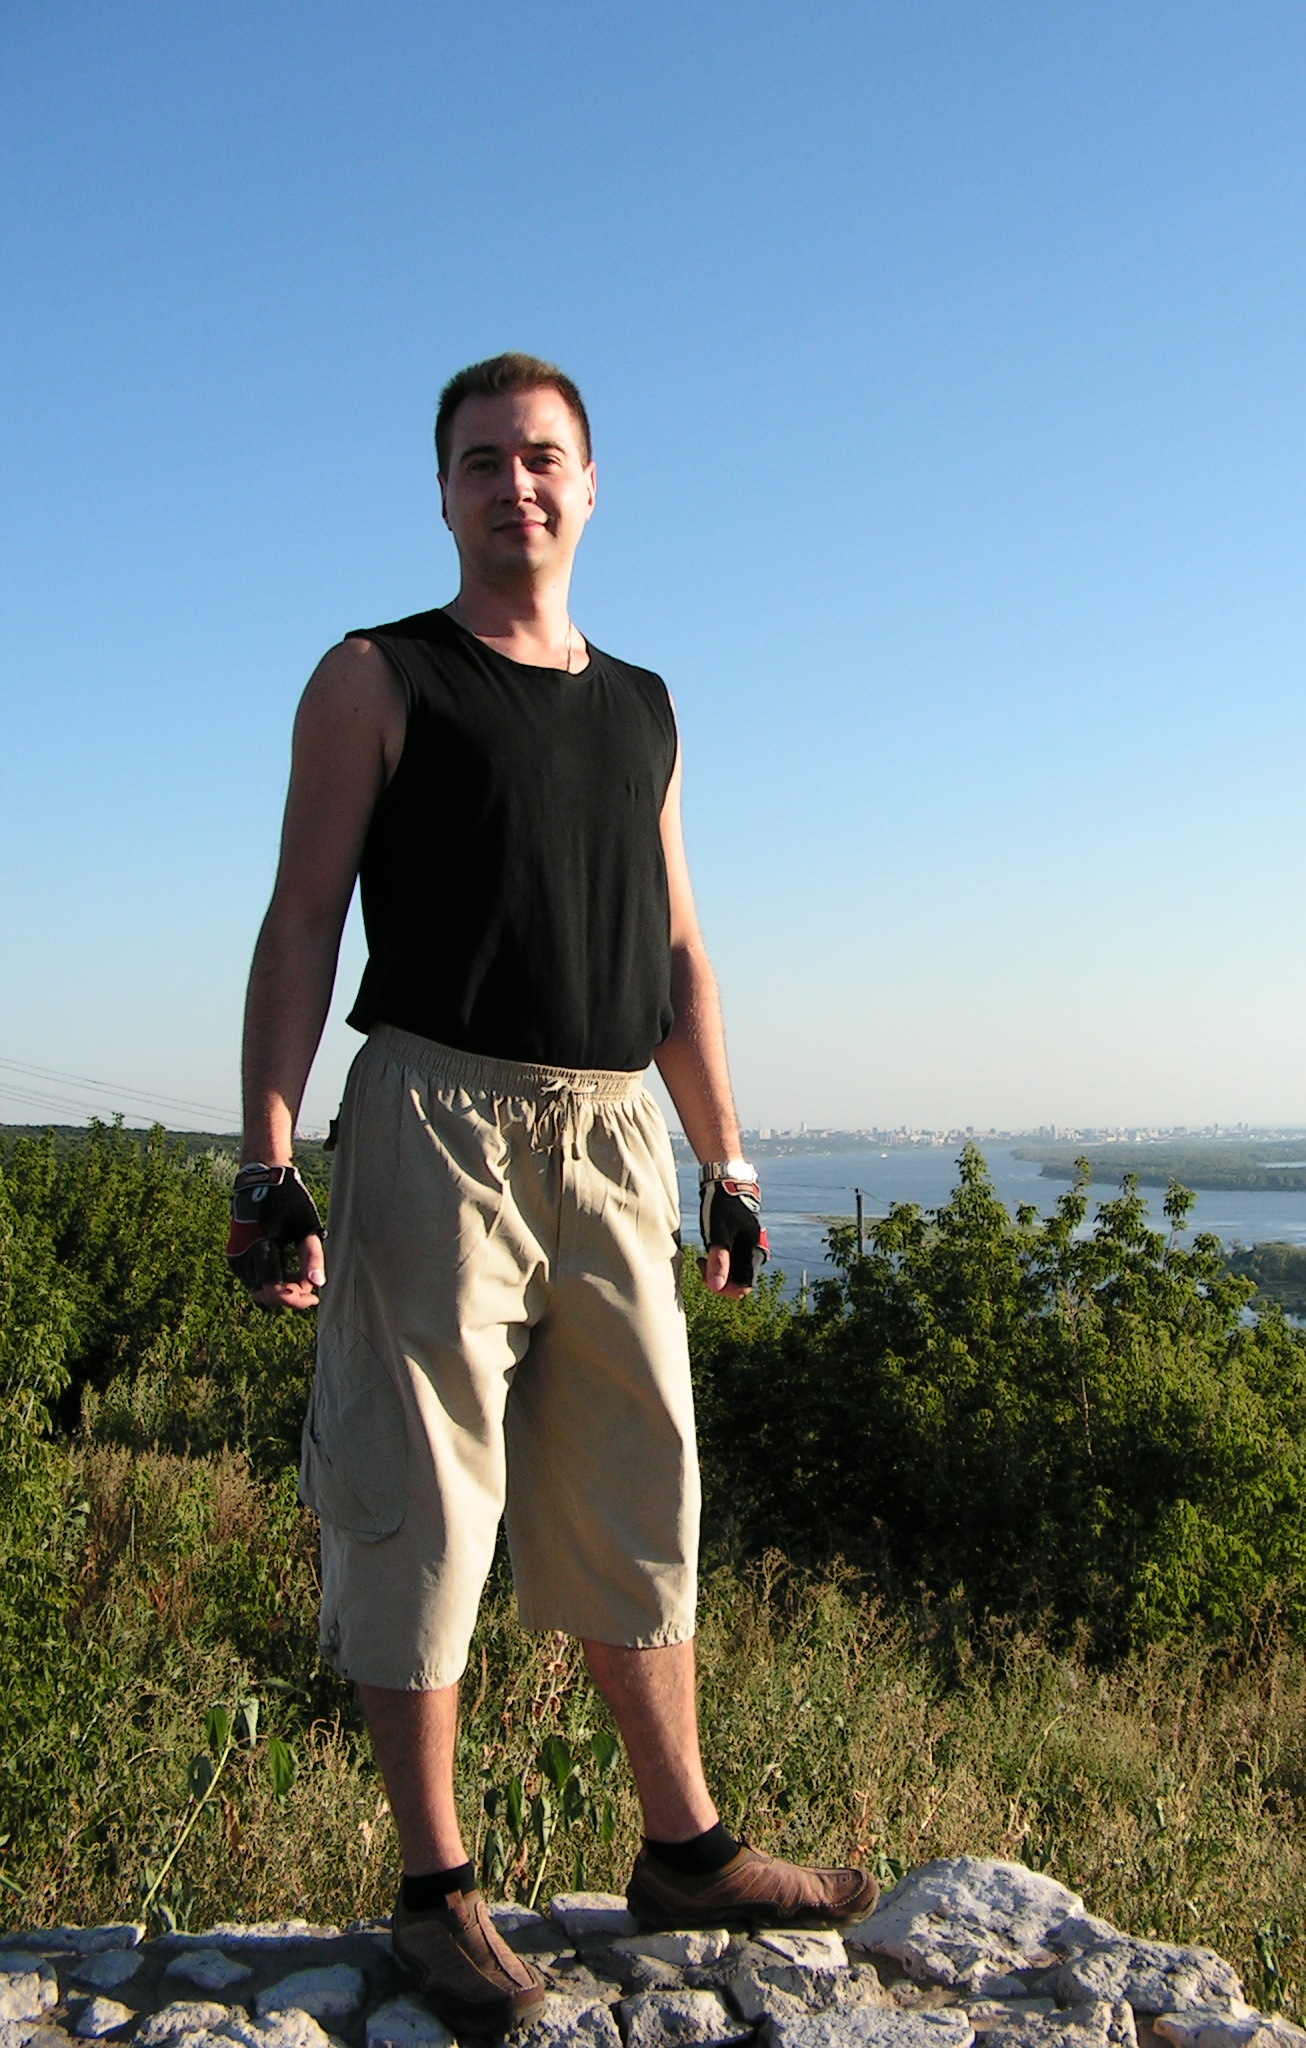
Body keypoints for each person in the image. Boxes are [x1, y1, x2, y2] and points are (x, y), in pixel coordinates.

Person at [228, 353, 876, 2035]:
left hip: (612, 1135)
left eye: (541, 458)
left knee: (639, 1484)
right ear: (442, 493)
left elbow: (680, 949)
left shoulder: (644, 706)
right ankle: (435, 1891)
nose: (514, 485)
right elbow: (303, 920)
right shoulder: (376, 677)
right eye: (480, 461)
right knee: (422, 1499)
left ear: (591, 486)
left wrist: (727, 1162)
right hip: (434, 1116)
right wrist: (268, 1159)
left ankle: (687, 1850)